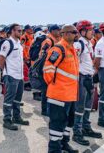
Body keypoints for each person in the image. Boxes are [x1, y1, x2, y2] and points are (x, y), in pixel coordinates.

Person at [43, 25, 79, 153]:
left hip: (71, 94)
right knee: (57, 124)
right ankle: (54, 149)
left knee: (69, 122)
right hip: (59, 95)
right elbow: (48, 70)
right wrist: (56, 86)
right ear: (65, 34)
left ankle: (64, 144)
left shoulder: (72, 49)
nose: (77, 34)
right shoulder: (58, 49)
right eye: (74, 32)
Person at [72, 20, 102, 146]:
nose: (93, 32)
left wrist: (93, 71)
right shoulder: (79, 45)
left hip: (89, 77)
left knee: (88, 105)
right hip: (81, 78)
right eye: (90, 30)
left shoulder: (88, 43)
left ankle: (86, 127)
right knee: (80, 107)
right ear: (83, 31)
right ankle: (77, 132)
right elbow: (74, 62)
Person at [0, 23, 29, 131]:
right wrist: (5, 72)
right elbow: (1, 58)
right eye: (18, 31)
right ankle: (7, 120)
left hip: (19, 76)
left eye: (21, 31)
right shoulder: (8, 43)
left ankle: (16, 117)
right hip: (11, 75)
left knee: (17, 99)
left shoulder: (19, 44)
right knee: (9, 99)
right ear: (12, 31)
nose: (20, 32)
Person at [40, 24, 62, 116]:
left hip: (55, 69)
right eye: (57, 30)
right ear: (52, 31)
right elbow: (42, 54)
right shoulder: (48, 41)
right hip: (47, 69)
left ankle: (50, 109)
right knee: (45, 90)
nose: (59, 31)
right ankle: (44, 110)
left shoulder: (58, 40)